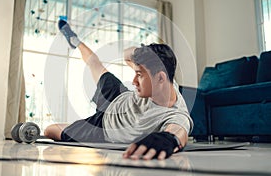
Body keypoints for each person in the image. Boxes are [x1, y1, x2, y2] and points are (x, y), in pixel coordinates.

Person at [44, 19, 193, 160]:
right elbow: (126, 55)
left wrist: (168, 139)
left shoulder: (176, 115)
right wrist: (145, 52)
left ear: (160, 78)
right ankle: (74, 40)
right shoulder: (163, 76)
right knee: (94, 63)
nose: (133, 81)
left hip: (103, 127)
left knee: (50, 130)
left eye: (139, 75)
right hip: (118, 96)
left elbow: (178, 131)